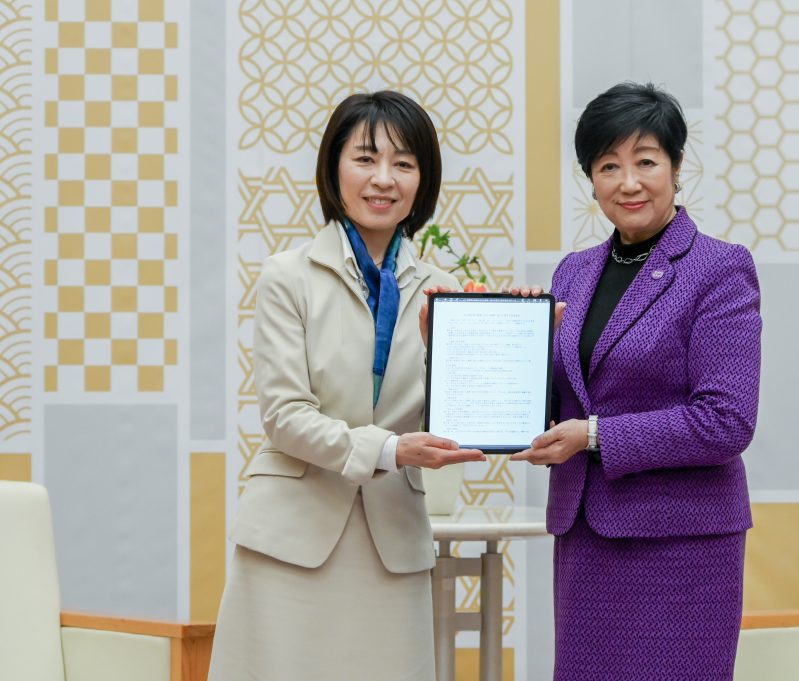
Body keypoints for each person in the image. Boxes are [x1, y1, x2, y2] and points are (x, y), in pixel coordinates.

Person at [208, 91, 485, 681]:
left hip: (393, 543)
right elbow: (284, 414)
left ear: (423, 179)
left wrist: (517, 345)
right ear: (334, 168)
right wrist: (388, 449)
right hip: (291, 541)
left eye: (404, 164)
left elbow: (459, 411)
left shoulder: (444, 289)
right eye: (365, 158)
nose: (383, 178)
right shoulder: (287, 277)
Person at [510, 82, 763, 681]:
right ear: (590, 179)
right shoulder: (574, 272)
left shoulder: (719, 268)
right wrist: (504, 343)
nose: (628, 182)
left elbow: (726, 421)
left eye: (645, 161)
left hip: (682, 543)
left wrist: (594, 436)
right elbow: (558, 400)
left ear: (676, 167)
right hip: (587, 538)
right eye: (608, 166)